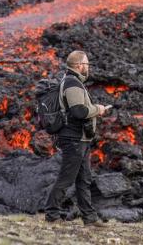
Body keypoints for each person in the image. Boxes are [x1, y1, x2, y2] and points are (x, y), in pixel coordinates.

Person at [44, 50, 110, 226]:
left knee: (83, 180)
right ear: (79, 65)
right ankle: (52, 215)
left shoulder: (74, 82)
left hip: (81, 139)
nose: (88, 67)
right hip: (74, 139)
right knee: (66, 178)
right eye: (87, 64)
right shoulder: (72, 84)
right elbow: (79, 111)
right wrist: (99, 109)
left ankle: (89, 218)